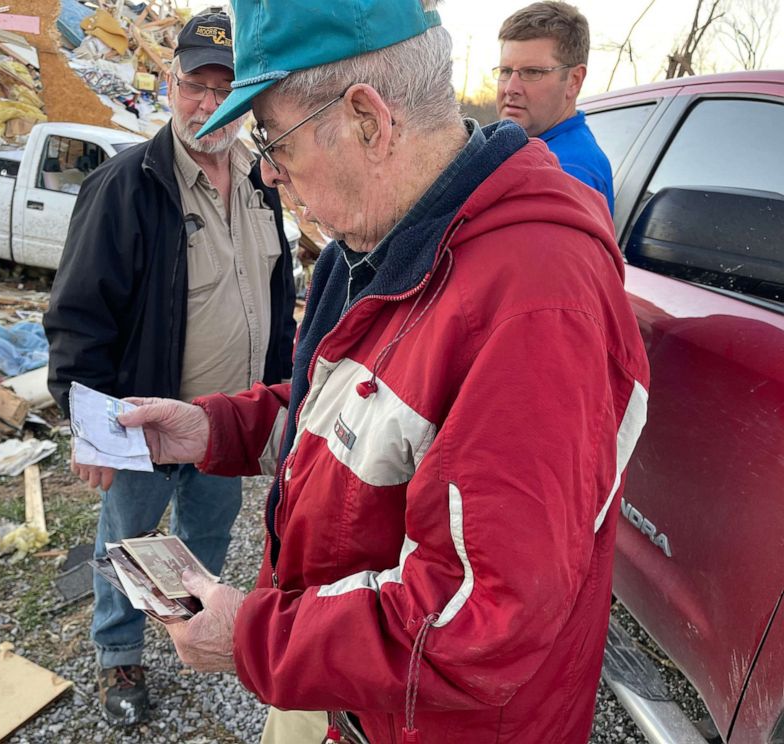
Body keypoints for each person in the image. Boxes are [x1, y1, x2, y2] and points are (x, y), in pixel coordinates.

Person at [115, 0, 649, 741]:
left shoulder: (536, 303)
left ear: (367, 118)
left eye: (273, 137)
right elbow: (349, 412)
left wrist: (255, 639)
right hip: (346, 689)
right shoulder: (374, 247)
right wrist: (211, 428)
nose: (267, 172)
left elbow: (486, 618)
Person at [42, 8, 296, 726]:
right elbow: (78, 316)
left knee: (205, 541)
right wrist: (92, 428)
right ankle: (118, 652)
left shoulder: (261, 184)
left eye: (226, 86)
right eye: (195, 84)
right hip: (147, 427)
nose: (209, 103)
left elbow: (275, 300)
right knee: (127, 543)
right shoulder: (128, 184)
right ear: (168, 82)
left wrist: (280, 406)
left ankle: (195, 633)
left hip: (231, 426)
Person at [496, 1, 615, 214]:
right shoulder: (519, 149)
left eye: (532, 72)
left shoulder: (569, 173)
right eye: (506, 71)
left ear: (574, 81)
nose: (510, 88)